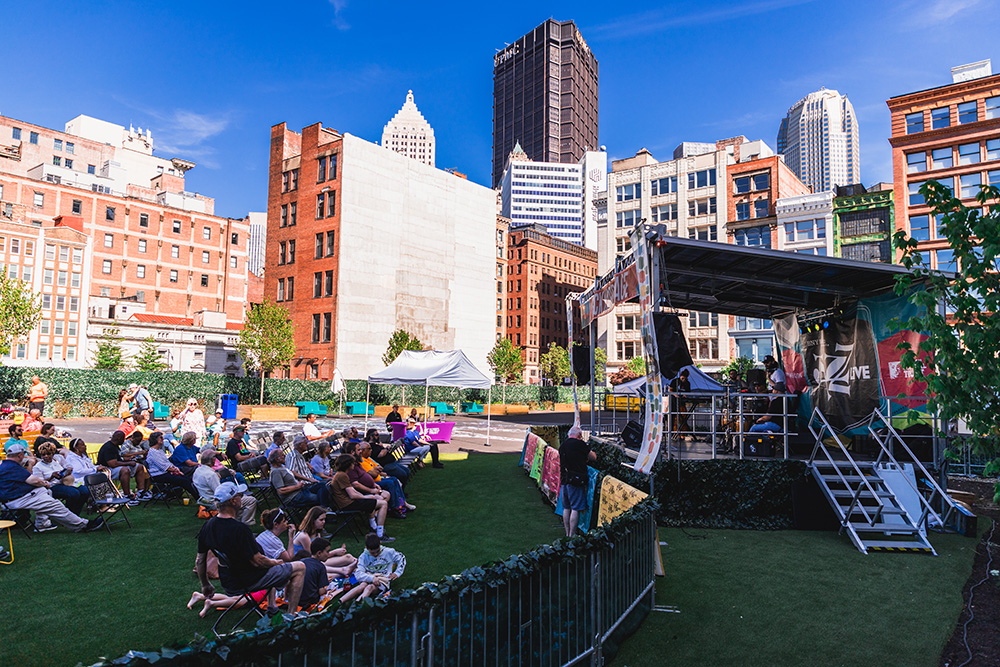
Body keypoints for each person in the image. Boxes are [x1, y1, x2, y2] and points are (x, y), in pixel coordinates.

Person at [195, 481, 307, 621]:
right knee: (299, 567)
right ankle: (292, 616)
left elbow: (200, 560)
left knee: (268, 563)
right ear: (233, 501)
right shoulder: (239, 529)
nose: (241, 498)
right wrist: (275, 563)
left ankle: (272, 607)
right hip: (247, 580)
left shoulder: (207, 526)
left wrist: (205, 584)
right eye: (239, 495)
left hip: (228, 582)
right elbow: (258, 562)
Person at [0, 443, 104, 533]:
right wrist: (45, 483)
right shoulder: (13, 467)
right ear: (20, 455)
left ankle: (42, 523)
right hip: (18, 499)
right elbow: (35, 480)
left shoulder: (4, 465)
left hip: (17, 496)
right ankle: (82, 525)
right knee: (55, 504)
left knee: (44, 492)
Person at [330, 454, 393, 543]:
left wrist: (367, 497)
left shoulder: (342, 474)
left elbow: (352, 491)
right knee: (383, 503)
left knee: (374, 499)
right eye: (352, 463)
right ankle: (380, 534)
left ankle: (374, 527)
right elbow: (352, 495)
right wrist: (366, 497)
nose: (354, 465)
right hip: (348, 504)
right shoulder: (342, 476)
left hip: (348, 502)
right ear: (348, 464)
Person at [193, 450, 257, 525]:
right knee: (251, 500)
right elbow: (220, 493)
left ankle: (235, 522)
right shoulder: (211, 475)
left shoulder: (198, 471)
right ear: (212, 460)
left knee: (241, 500)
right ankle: (245, 524)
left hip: (205, 499)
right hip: (216, 502)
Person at [291, 506, 358, 577]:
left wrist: (335, 553)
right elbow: (313, 557)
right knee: (331, 573)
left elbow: (320, 554)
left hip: (317, 561)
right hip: (305, 564)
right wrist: (334, 552)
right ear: (313, 520)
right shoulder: (304, 536)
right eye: (321, 520)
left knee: (348, 558)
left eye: (324, 519)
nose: (324, 522)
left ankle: (359, 567)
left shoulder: (317, 533)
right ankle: (344, 570)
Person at [357, 441, 414, 514]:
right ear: (362, 451)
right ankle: (395, 507)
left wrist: (377, 470)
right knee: (391, 482)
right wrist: (377, 471)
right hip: (374, 482)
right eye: (369, 448)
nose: (371, 450)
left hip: (380, 477)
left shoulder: (368, 458)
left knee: (394, 479)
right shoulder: (362, 461)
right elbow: (374, 474)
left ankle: (403, 503)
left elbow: (379, 466)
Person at [559, 425, 596, 537]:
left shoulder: (563, 445)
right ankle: (572, 535)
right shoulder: (580, 444)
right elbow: (593, 457)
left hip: (565, 479)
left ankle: (567, 533)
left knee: (566, 508)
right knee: (575, 508)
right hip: (576, 480)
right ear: (579, 435)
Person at [32, 442, 89, 514]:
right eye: (43, 455)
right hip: (52, 486)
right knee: (74, 493)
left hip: (65, 482)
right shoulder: (37, 467)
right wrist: (51, 476)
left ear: (52, 454)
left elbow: (68, 466)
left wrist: (67, 471)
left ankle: (75, 512)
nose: (46, 456)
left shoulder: (58, 459)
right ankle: (69, 514)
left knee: (85, 491)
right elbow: (39, 482)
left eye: (48, 454)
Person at [97, 430, 151, 503]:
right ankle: (127, 495)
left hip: (115, 467)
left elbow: (119, 459)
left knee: (139, 467)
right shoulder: (109, 447)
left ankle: (140, 492)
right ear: (119, 439)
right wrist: (128, 463)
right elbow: (113, 464)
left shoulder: (115, 446)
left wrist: (128, 460)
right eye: (123, 438)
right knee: (125, 470)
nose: (124, 440)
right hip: (106, 469)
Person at [268, 449, 332, 509]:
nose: (285, 456)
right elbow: (281, 491)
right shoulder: (276, 472)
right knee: (322, 496)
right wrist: (297, 486)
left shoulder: (282, 467)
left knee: (323, 484)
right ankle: (325, 510)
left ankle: (324, 508)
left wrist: (309, 479)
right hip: (294, 497)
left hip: (301, 490)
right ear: (276, 459)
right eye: (282, 455)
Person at [145, 431, 197, 496]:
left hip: (165, 473)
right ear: (156, 440)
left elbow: (168, 463)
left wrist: (175, 469)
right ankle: (198, 498)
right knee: (184, 481)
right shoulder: (153, 452)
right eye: (161, 437)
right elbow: (164, 466)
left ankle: (199, 496)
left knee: (188, 479)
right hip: (158, 475)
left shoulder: (159, 451)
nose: (163, 439)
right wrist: (175, 470)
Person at [669, 369, 691, 433]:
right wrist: (675, 394)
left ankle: (682, 433)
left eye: (685, 379)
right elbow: (670, 389)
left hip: (682, 402)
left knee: (683, 416)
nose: (684, 380)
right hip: (673, 402)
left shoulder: (687, 383)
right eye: (682, 378)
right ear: (680, 376)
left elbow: (688, 391)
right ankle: (672, 431)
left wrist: (685, 395)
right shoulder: (675, 381)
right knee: (673, 416)